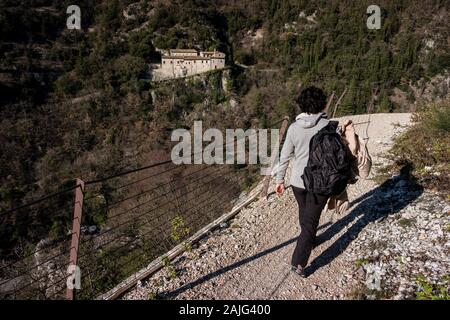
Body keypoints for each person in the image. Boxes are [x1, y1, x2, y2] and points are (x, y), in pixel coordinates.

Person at [275, 86, 368, 277]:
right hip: (322, 182)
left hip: (298, 183)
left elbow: (284, 157)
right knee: (310, 221)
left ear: (301, 104)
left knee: (306, 217)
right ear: (321, 103)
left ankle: (301, 254)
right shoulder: (330, 125)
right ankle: (301, 259)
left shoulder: (293, 128)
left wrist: (280, 180)